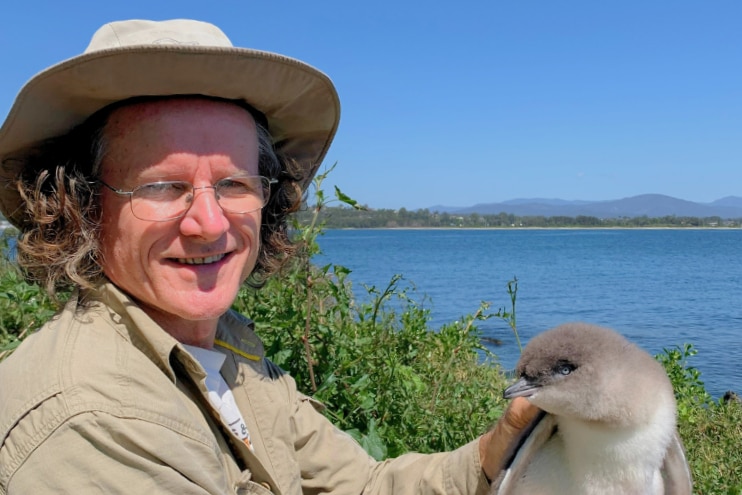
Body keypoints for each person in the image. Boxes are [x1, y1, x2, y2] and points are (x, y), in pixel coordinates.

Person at [0, 19, 538, 494]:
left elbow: (363, 485)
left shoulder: (230, 357)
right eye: (163, 187)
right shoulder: (93, 425)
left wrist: (494, 453)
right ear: (82, 207)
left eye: (235, 183)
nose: (209, 223)